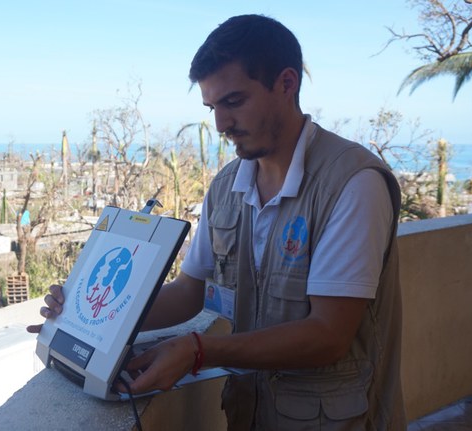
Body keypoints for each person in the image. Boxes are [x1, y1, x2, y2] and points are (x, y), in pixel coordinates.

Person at [29, 14, 405, 430]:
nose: (221, 124)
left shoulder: (352, 183)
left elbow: (328, 335)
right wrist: (85, 315)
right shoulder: (228, 185)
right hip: (250, 413)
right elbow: (190, 292)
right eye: (212, 107)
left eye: (234, 102)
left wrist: (199, 350)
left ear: (286, 83)